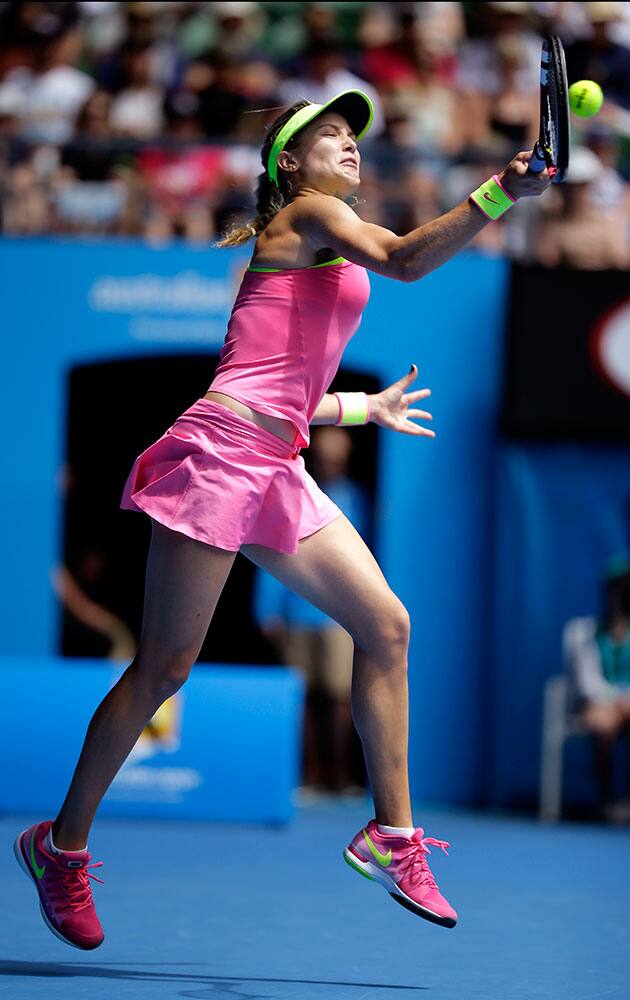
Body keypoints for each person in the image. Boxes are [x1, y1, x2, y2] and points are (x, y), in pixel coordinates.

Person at [14, 87, 550, 949]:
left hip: (277, 460)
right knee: (162, 671)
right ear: (289, 165)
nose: (349, 146)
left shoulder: (322, 236)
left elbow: (280, 378)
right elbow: (406, 262)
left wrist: (355, 409)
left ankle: (394, 836)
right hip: (222, 453)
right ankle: (60, 846)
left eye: (353, 136)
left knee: (387, 626)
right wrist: (498, 191)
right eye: (328, 136)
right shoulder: (307, 212)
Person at [254, 426, 369, 794]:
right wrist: (268, 609)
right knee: (299, 699)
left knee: (340, 698)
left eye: (339, 458)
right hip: (295, 613)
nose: (331, 464)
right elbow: (273, 546)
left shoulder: (356, 499)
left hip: (338, 616)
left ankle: (339, 777)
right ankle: (308, 776)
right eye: (325, 457)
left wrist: (361, 607)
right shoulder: (291, 491)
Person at [566, 554, 630, 821]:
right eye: (618, 590)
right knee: (603, 723)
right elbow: (586, 681)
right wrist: (616, 699)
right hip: (598, 706)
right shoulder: (585, 632)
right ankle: (605, 801)